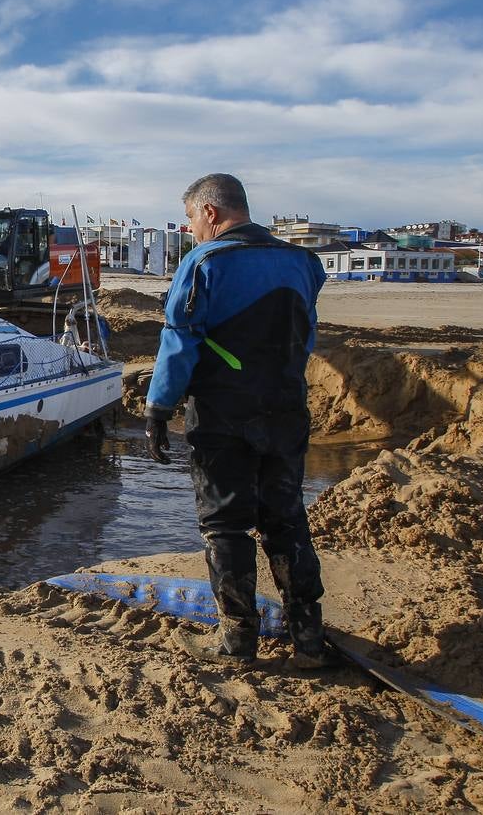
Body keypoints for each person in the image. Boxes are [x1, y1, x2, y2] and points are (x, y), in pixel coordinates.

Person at [145, 173, 329, 669]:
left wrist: (159, 408)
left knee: (225, 525)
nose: (191, 231)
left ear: (210, 212)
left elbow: (180, 340)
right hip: (287, 407)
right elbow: (304, 334)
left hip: (224, 412)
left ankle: (238, 641)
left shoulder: (204, 262)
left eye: (190, 220)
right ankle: (308, 641)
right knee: (287, 520)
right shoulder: (302, 262)